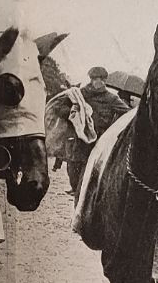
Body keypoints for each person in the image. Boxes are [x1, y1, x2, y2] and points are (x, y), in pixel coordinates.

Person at [51, 66, 130, 198]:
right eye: (94, 79)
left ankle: (82, 205)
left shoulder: (111, 99)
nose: (97, 82)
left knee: (88, 184)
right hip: (77, 144)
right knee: (74, 178)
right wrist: (73, 114)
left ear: (105, 80)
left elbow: (127, 113)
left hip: (97, 146)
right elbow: (59, 107)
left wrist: (115, 127)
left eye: (101, 79)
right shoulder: (79, 94)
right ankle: (77, 193)